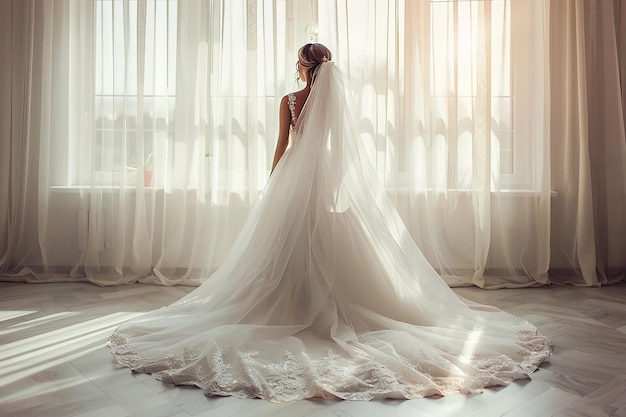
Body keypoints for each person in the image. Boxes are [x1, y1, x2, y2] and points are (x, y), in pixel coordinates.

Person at [108, 43, 551, 402]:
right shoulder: (335, 101)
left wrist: (272, 183)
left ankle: (295, 302)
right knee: (324, 245)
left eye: (299, 65)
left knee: (283, 247)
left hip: (294, 180)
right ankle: (318, 302)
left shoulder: (289, 101)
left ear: (303, 68)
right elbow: (343, 152)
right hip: (323, 181)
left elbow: (282, 146)